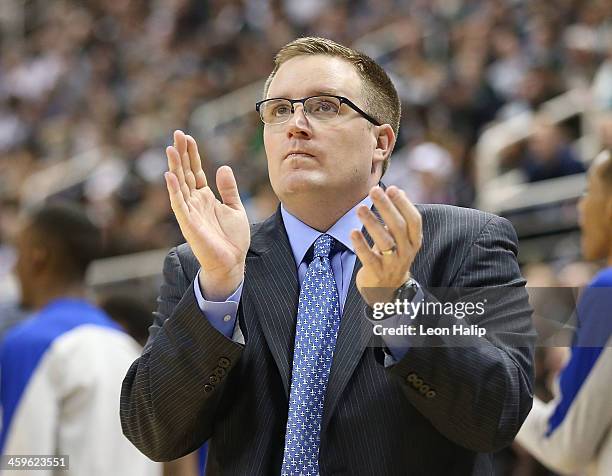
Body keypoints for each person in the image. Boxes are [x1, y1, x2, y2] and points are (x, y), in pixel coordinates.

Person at [121, 37, 536, 475]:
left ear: (381, 142)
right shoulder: (203, 266)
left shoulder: (467, 241)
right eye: (279, 110)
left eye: (324, 106)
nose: (295, 125)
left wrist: (399, 303)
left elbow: (499, 415)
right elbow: (153, 434)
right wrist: (220, 286)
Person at [0, 202, 160, 476]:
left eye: (20, 254)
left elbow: (24, 462)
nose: (14, 269)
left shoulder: (32, 343)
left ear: (38, 257)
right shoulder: (129, 348)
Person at [515, 149, 612, 475]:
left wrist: (496, 395)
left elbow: (563, 445)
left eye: (589, 193)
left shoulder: (608, 289)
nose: (581, 208)